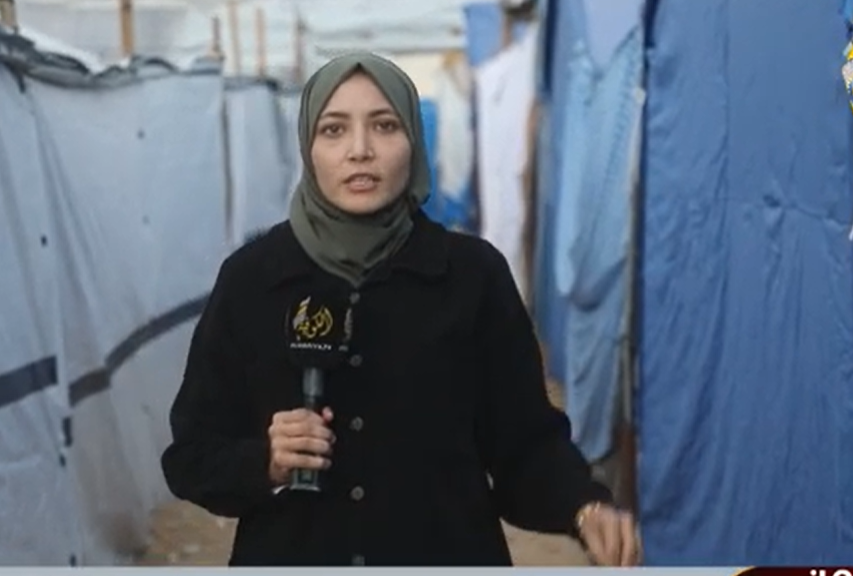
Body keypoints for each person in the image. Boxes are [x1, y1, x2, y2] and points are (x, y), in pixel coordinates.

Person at [160, 52, 642, 567]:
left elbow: (524, 446)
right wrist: (266, 462)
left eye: (385, 125)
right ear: (308, 147)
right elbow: (192, 455)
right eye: (334, 130)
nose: (360, 150)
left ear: (413, 139)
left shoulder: (472, 277)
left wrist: (583, 506)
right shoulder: (253, 280)